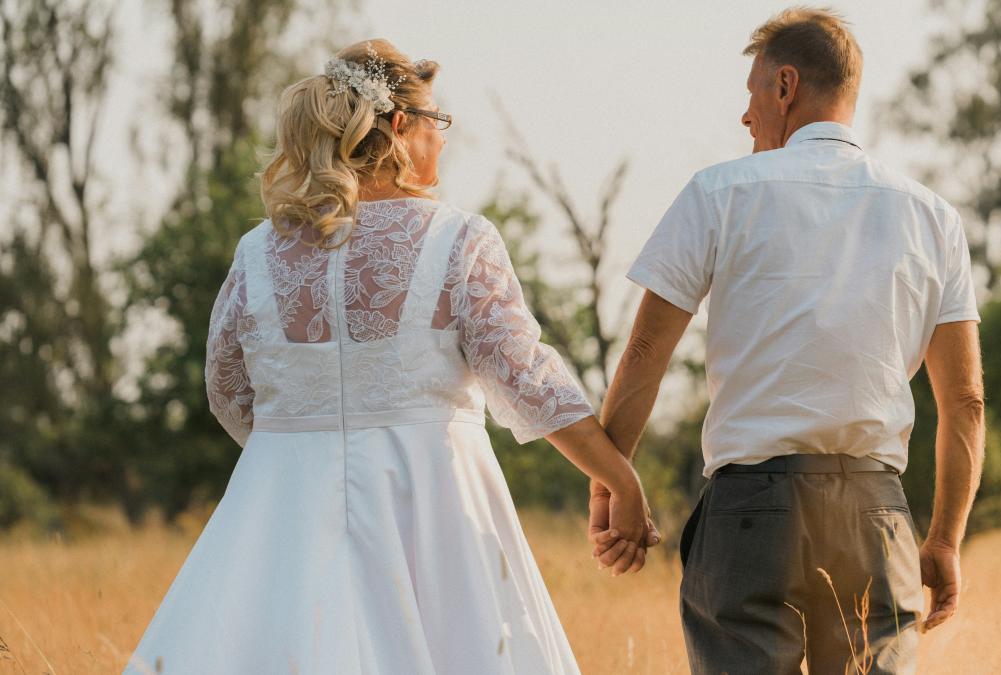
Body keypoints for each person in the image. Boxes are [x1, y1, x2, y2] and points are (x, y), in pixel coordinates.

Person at [125, 39, 650, 675]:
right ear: (401, 125)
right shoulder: (460, 238)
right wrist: (618, 477)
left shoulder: (258, 251)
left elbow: (227, 390)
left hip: (283, 503)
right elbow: (524, 376)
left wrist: (297, 450)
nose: (443, 138)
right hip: (430, 501)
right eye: (438, 121)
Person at [591, 7, 986, 674]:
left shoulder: (717, 193)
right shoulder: (933, 216)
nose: (746, 117)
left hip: (749, 510)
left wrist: (611, 484)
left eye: (752, 94)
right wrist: (945, 539)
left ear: (785, 86)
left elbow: (644, 357)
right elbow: (966, 400)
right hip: (874, 512)